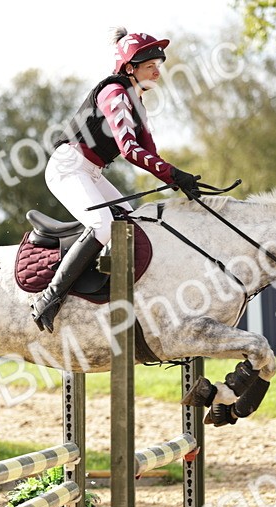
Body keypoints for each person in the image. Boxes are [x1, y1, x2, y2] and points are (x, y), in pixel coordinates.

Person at [30, 27, 202, 333]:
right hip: (69, 166)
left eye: (158, 67)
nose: (157, 73)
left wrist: (180, 180)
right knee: (103, 225)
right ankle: (48, 298)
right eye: (151, 67)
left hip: (91, 170)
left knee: (131, 224)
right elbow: (130, 150)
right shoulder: (114, 93)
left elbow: (150, 152)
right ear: (130, 68)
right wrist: (174, 174)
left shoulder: (136, 102)